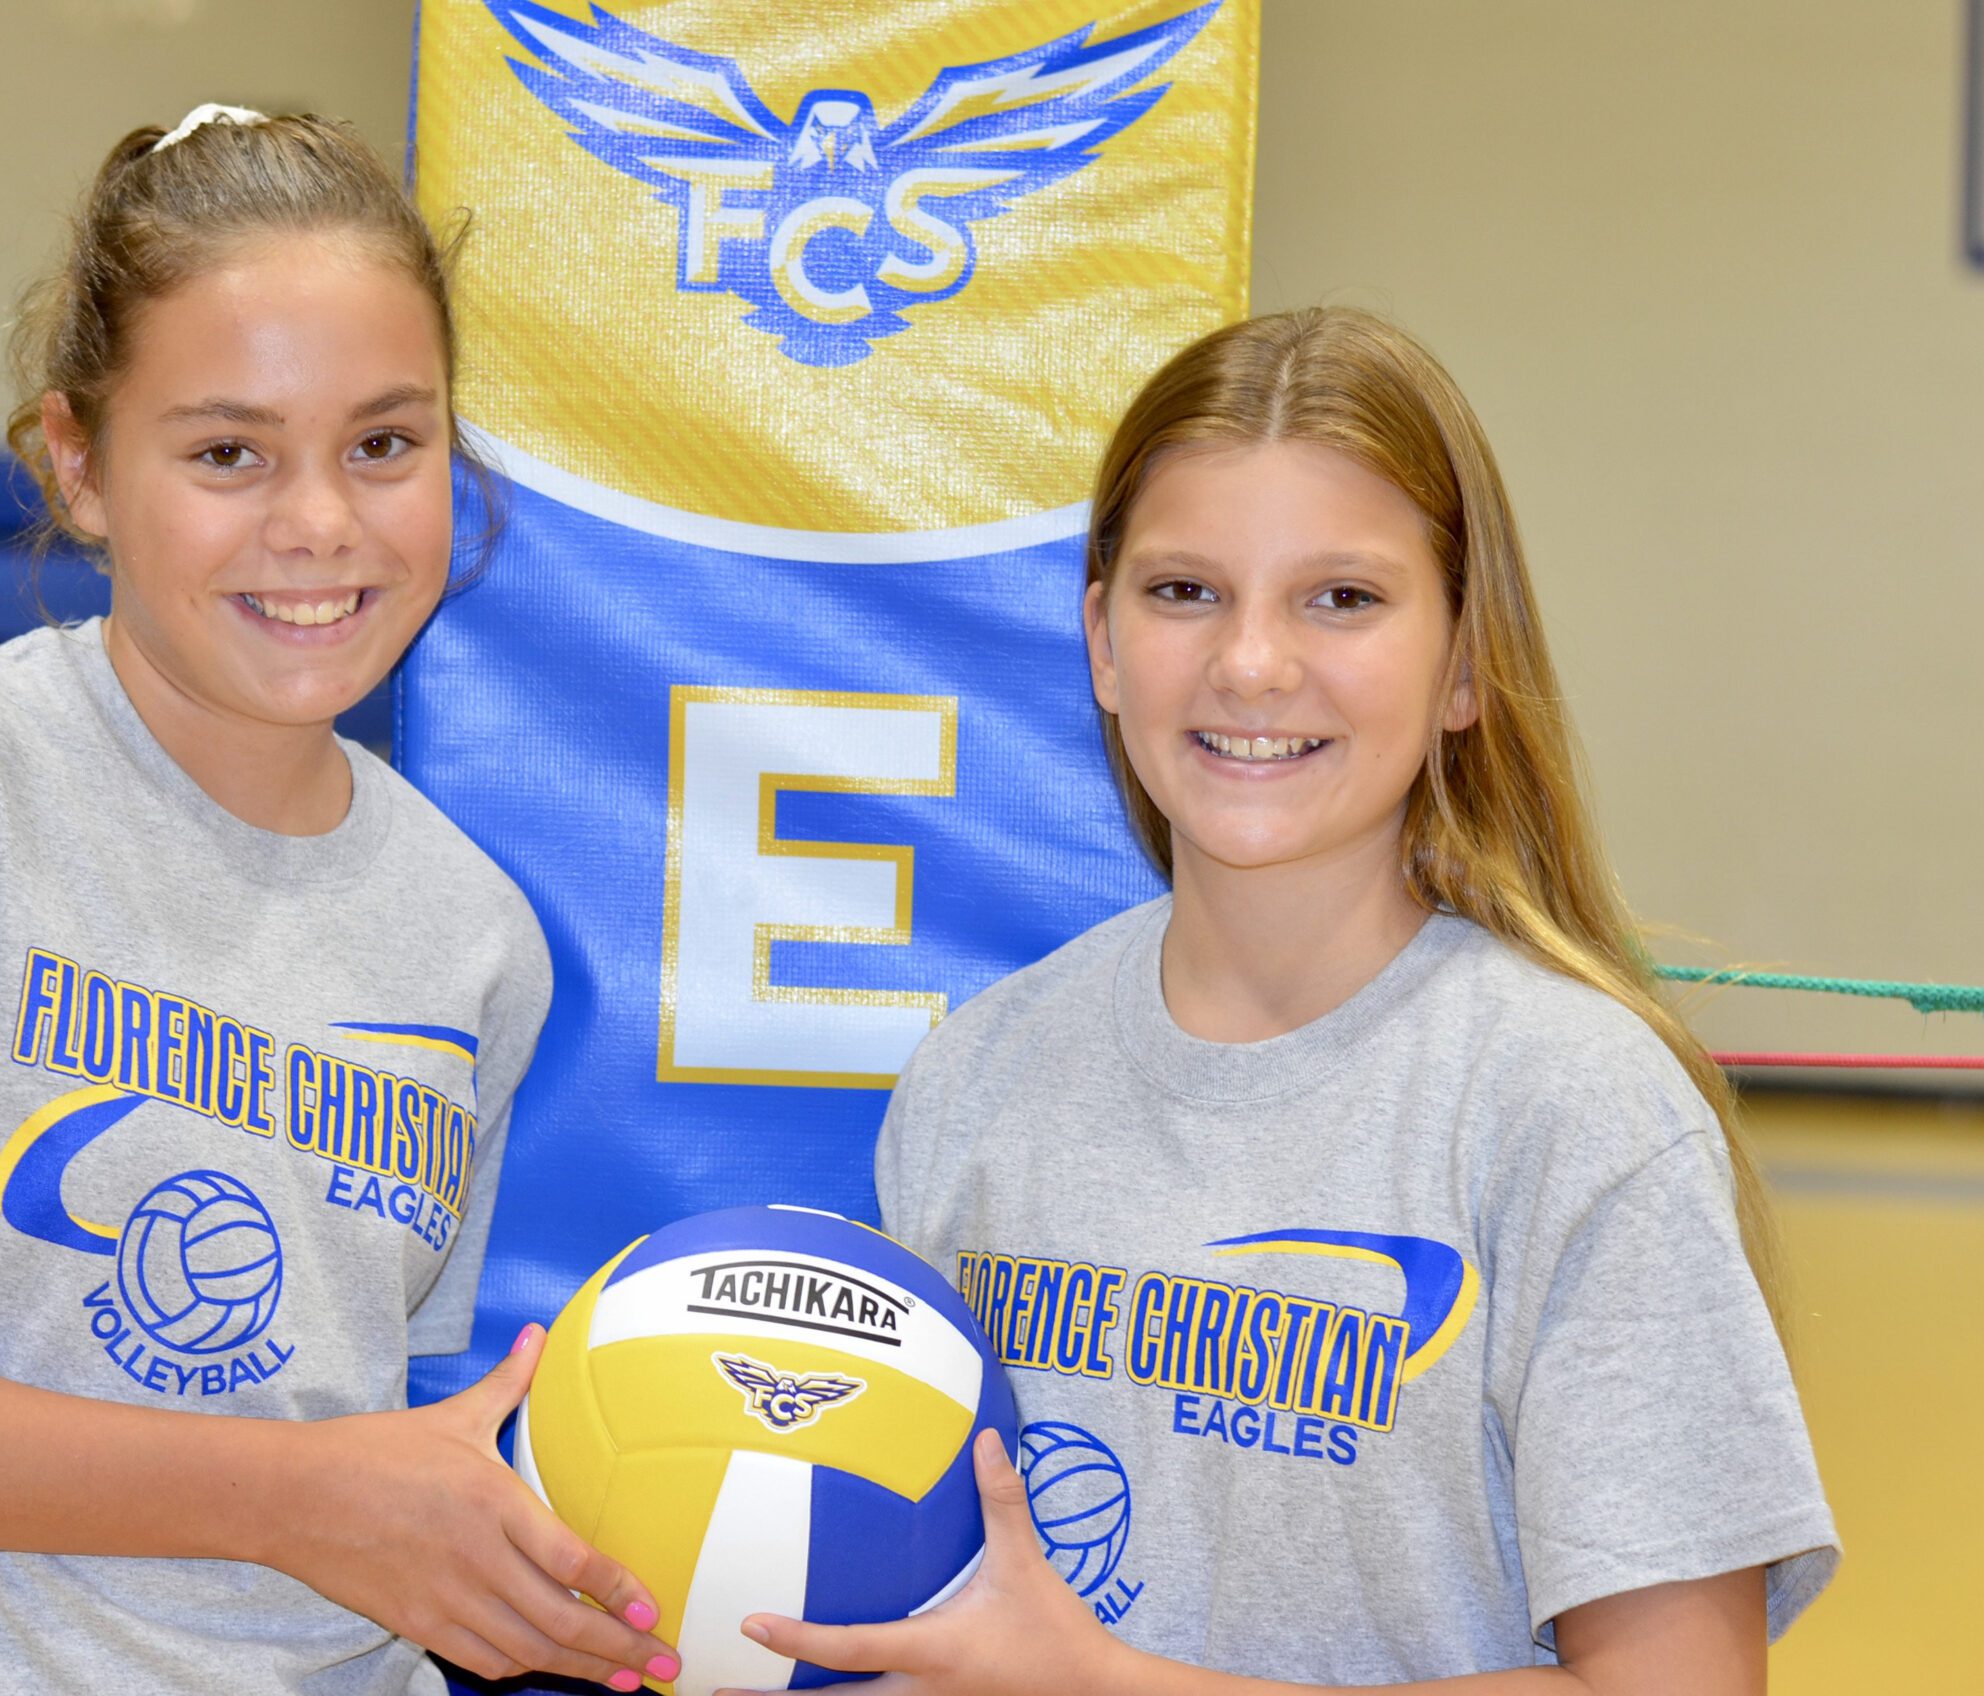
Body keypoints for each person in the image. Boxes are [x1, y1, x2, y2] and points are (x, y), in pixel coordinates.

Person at [0, 104, 679, 1696]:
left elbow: (338, 1427)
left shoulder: (478, 936)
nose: (320, 522)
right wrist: (311, 1502)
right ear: (81, 464)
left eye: (386, 444)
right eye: (227, 451)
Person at [733, 309, 1836, 1695]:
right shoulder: (983, 1072)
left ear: (1464, 662)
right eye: (1185, 592)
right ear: (1101, 642)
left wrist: (1104, 1685)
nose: (1251, 664)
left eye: (1342, 598)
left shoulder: (1572, 1106)